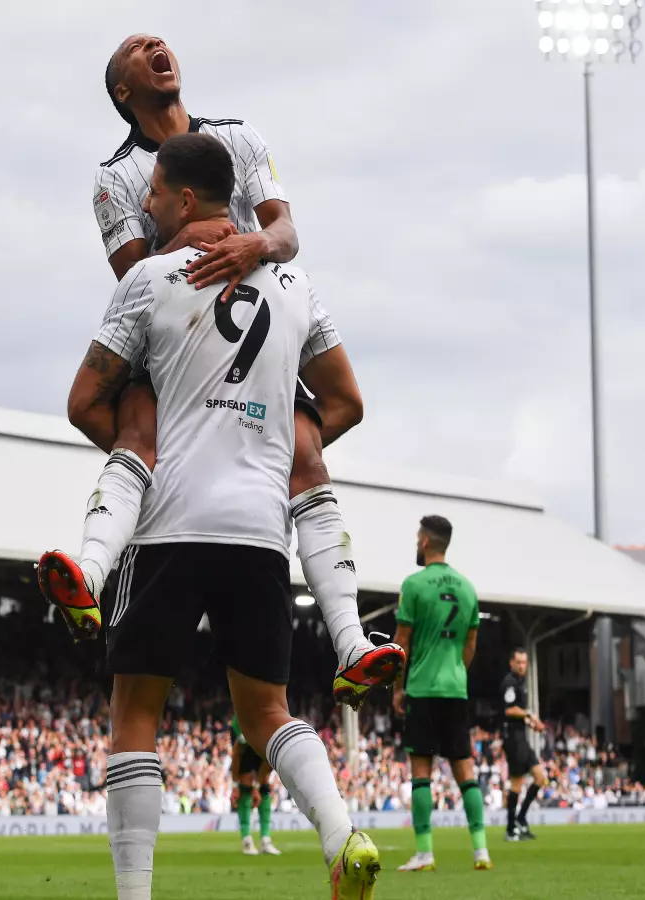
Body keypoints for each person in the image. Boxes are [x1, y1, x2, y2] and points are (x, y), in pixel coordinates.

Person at [58, 132, 380, 899]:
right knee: (267, 711)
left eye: (157, 194)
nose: (147, 203)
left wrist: (148, 454)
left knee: (135, 711)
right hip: (261, 535)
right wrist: (265, 445)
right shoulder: (296, 287)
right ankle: (341, 836)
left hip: (169, 525)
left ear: (186, 200)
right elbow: (346, 403)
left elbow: (82, 403)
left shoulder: (149, 278)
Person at [41, 32, 402, 710]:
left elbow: (286, 232)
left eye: (160, 40)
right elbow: (137, 277)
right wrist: (210, 242)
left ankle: (351, 641)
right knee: (138, 423)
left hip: (258, 341)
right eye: (135, 47)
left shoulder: (239, 136)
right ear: (124, 90)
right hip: (177, 347)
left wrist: (253, 246)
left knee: (306, 453)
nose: (155, 43)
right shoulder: (115, 179)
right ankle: (91, 570)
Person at [392, 515, 492, 872]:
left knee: (421, 771)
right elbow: (471, 642)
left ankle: (424, 853)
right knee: (465, 770)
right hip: (455, 688)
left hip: (422, 686)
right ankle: (481, 851)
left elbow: (401, 643)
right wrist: (457, 673)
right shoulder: (467, 587)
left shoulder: (414, 584)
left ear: (424, 542)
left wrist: (398, 687)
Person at [500, 647, 548, 841]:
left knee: (539, 777)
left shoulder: (521, 683)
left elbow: (518, 715)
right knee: (517, 782)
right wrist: (529, 715)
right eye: (518, 662)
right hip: (513, 739)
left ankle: (520, 818)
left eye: (524, 662)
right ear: (511, 663)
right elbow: (509, 710)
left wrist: (531, 723)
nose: (522, 666)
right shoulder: (509, 683)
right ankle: (511, 829)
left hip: (522, 737)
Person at [231, 715, 280, 856]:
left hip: (262, 744)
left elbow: (267, 766)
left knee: (264, 786)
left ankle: (265, 840)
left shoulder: (271, 740)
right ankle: (247, 839)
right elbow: (236, 756)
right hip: (244, 737)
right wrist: (235, 785)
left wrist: (258, 787)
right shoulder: (243, 735)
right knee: (245, 783)